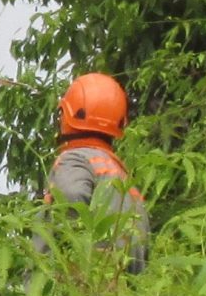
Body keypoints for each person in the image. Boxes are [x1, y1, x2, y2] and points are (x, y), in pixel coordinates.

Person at [44, 71, 150, 272]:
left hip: (85, 289)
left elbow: (70, 195)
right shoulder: (124, 178)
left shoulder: (74, 159)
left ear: (68, 115)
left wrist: (82, 258)